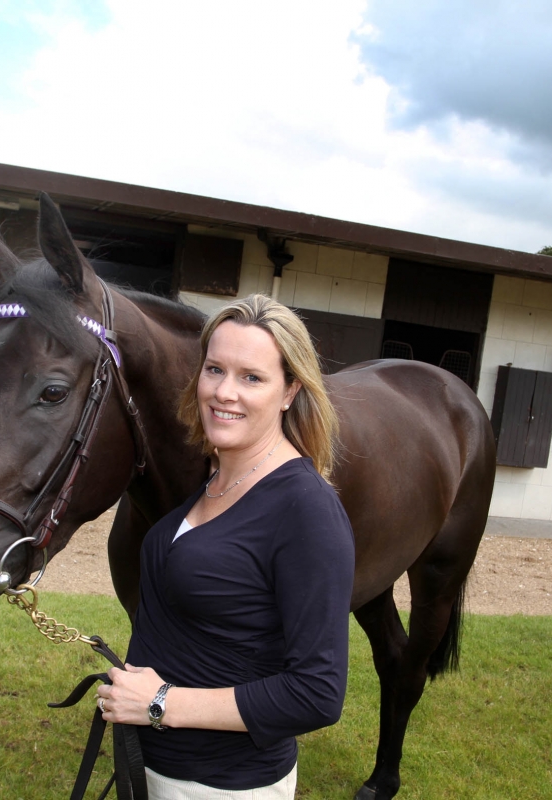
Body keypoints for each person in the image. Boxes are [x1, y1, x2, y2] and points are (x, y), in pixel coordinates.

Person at [95, 294, 356, 798]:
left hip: (222, 786)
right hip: (151, 768)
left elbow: (317, 694)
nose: (223, 392)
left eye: (251, 377)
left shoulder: (307, 510)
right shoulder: (217, 481)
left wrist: (161, 703)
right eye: (214, 369)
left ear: (290, 391)